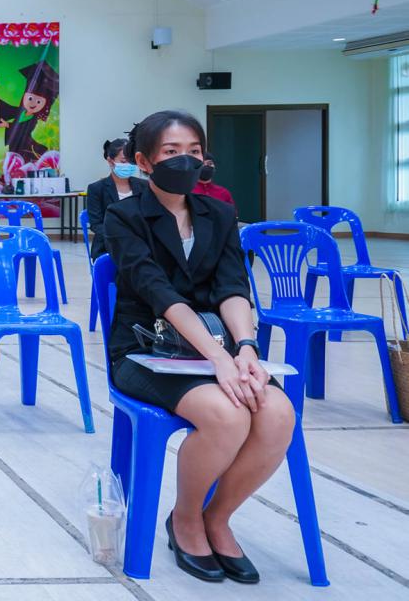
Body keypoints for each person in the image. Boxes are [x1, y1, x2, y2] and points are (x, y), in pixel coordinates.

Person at [104, 110, 294, 585]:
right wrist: (218, 358)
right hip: (147, 350)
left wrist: (245, 349)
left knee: (277, 413)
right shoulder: (124, 216)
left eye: (193, 152)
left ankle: (219, 518)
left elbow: (233, 286)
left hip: (217, 348)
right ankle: (186, 518)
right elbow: (157, 292)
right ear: (144, 162)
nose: (185, 161)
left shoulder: (220, 214)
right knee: (227, 416)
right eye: (171, 152)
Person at [85, 137, 148, 259]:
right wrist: (122, 237)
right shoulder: (97, 189)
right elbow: (96, 225)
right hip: (108, 247)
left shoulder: (144, 186)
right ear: (110, 161)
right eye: (124, 161)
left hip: (142, 245)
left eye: (132, 161)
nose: (128, 165)